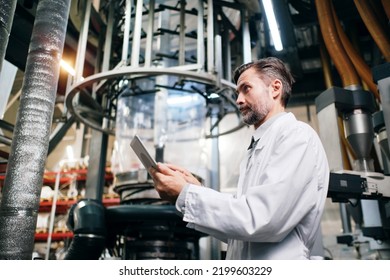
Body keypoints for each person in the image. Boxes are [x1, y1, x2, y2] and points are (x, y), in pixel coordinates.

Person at [149, 57, 330, 260]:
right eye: (237, 93)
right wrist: (195, 190)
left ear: (275, 89)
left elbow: (262, 219)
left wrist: (186, 194)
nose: (239, 100)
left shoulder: (296, 136)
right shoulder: (258, 146)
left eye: (246, 88)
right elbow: (240, 231)